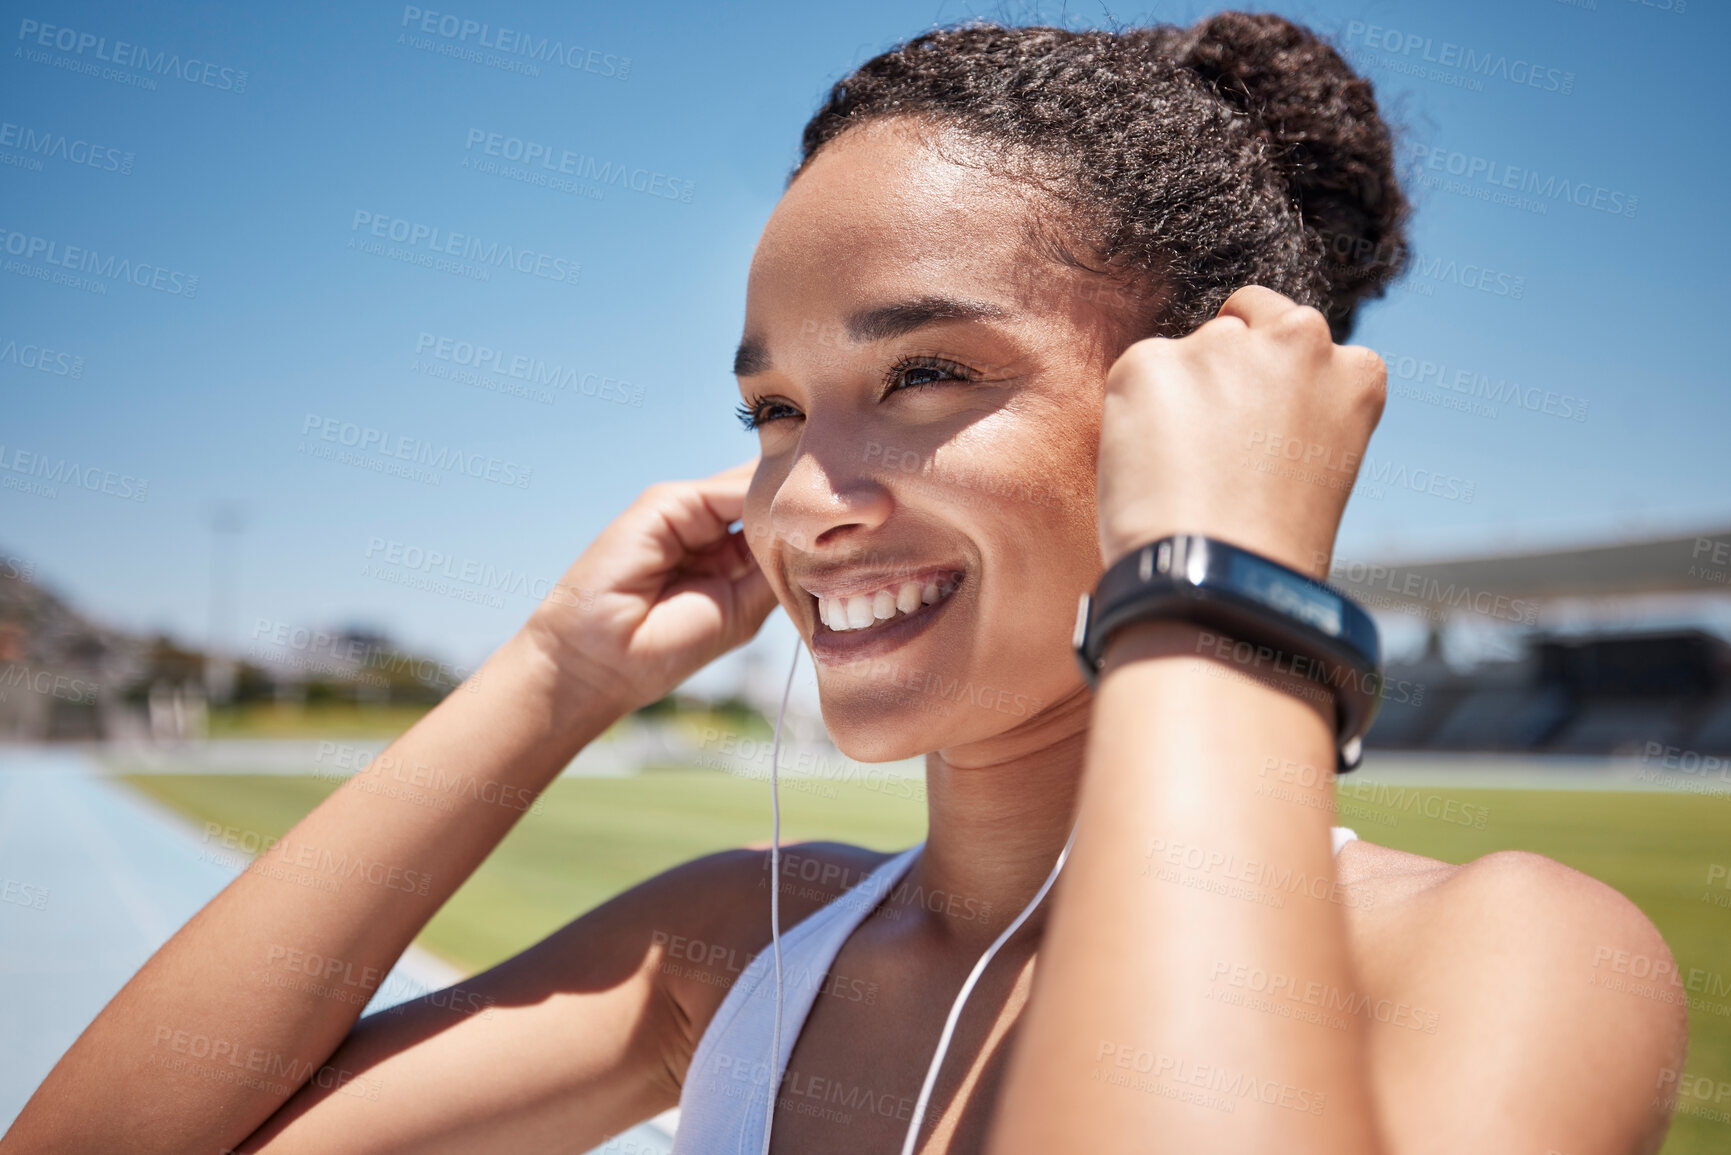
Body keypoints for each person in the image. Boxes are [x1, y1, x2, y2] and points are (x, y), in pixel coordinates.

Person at [4, 13, 1685, 1155]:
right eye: (770, 411)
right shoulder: (736, 948)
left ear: (1207, 393)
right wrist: (548, 682)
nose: (801, 500)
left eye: (930, 376)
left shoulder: (1510, 957)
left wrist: (1218, 592)